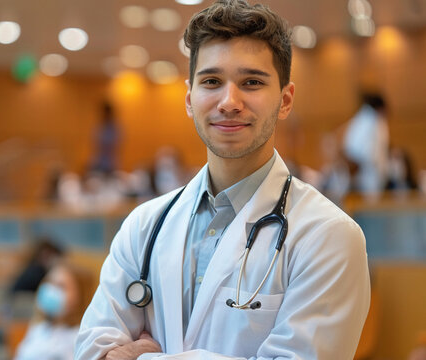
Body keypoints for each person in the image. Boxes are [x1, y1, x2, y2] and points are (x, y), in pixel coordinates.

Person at [75, 1, 370, 359]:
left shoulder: (329, 236)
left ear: (285, 100)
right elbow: (90, 351)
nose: (229, 102)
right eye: (212, 81)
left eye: (252, 82)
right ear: (189, 98)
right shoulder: (143, 227)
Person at [14, 262, 95, 360]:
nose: (51, 290)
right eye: (49, 282)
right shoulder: (39, 327)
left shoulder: (81, 338)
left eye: (61, 286)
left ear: (80, 296)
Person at [343, 93, 390, 195]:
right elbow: (368, 153)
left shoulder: (361, 120)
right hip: (367, 175)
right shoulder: (370, 122)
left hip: (368, 174)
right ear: (381, 108)